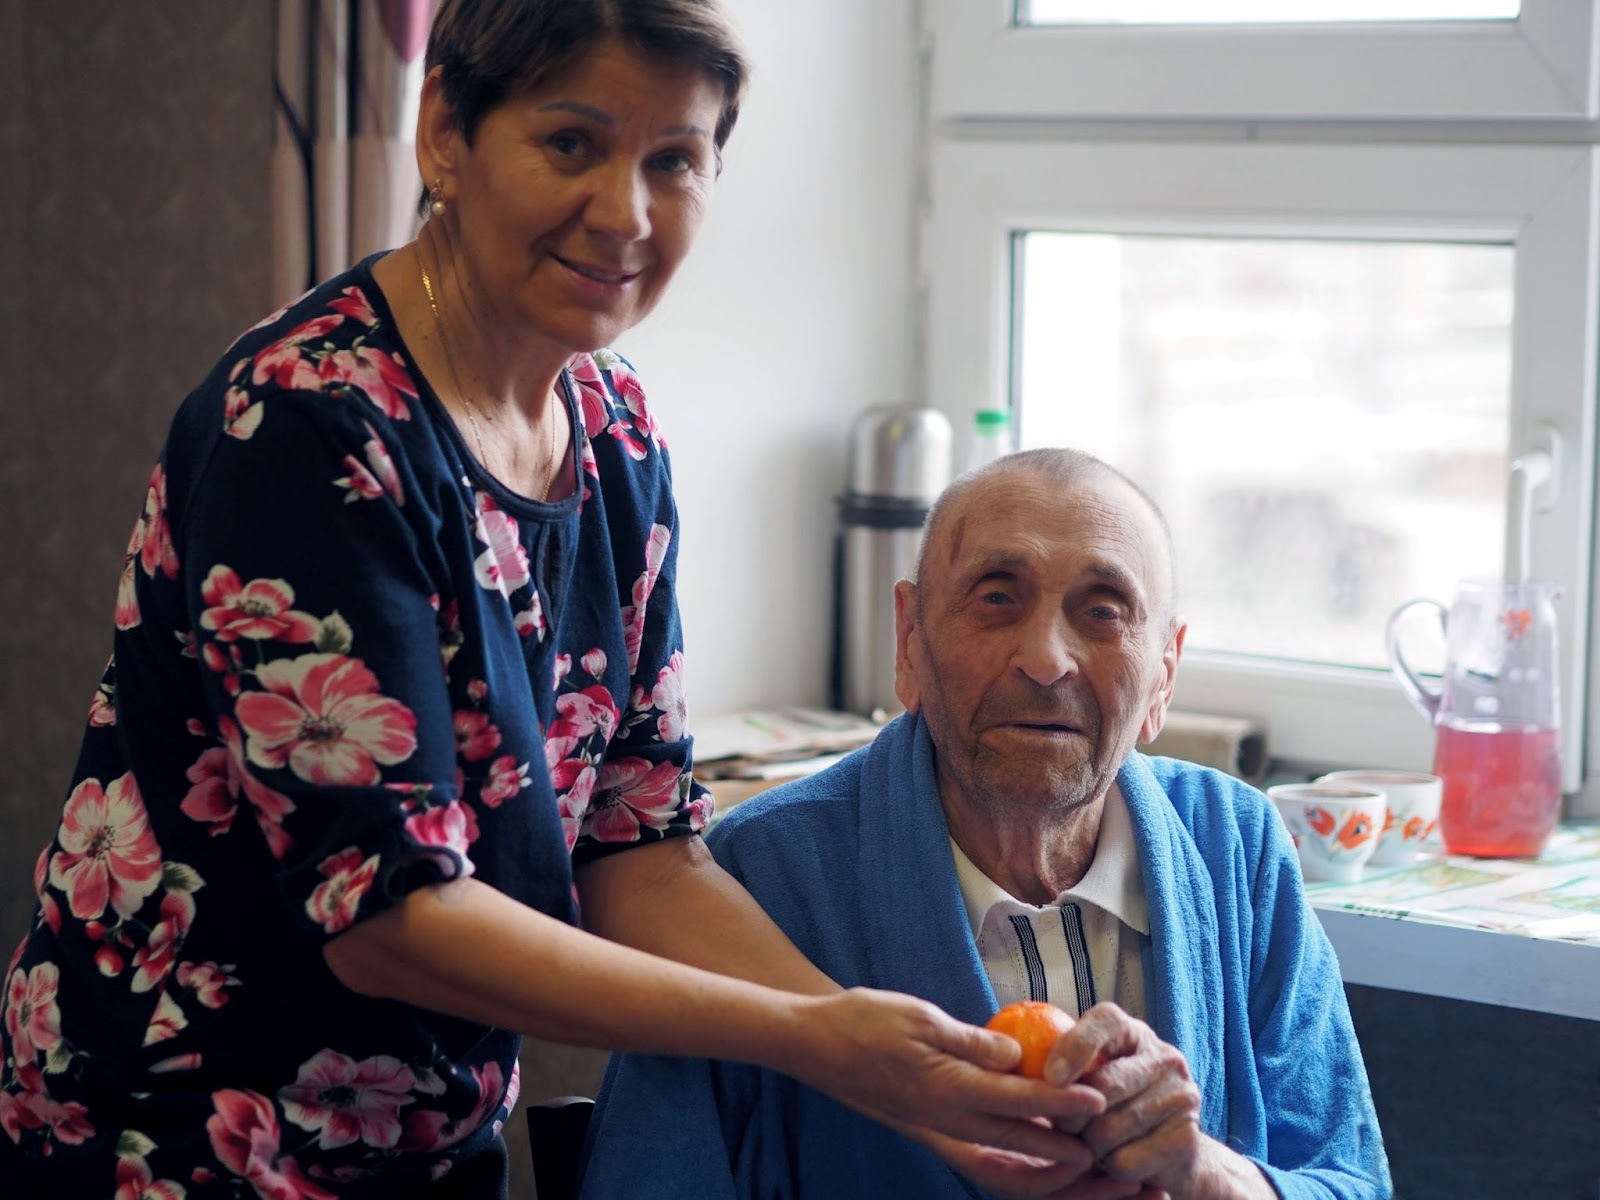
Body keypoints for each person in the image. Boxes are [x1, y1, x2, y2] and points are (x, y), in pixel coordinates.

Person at [0, 5, 1101, 1195]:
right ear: (444, 137)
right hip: (174, 1138)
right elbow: (389, 922)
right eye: (571, 143)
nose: (627, 212)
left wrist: (898, 1070)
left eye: (673, 160)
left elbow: (640, 847)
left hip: (430, 1143)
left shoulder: (614, 430)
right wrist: (806, 1040)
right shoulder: (309, 423)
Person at [584, 448, 1393, 1200]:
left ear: (1165, 676)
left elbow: (1351, 1178)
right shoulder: (759, 874)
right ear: (909, 639)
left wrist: (1203, 1168)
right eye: (997, 597)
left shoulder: (1236, 845)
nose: (1046, 659)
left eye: (1104, 611)